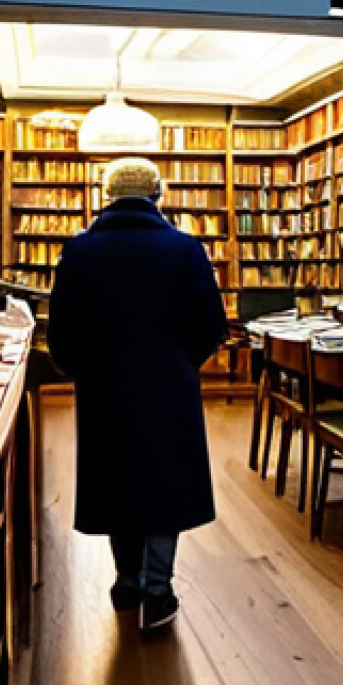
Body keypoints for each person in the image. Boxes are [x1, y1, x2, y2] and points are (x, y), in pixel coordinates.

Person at [46, 156, 228, 632]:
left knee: (116, 479)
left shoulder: (79, 251)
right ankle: (157, 587)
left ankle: (126, 579)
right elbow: (212, 325)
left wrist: (85, 370)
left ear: (106, 197)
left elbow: (61, 335)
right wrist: (182, 363)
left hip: (104, 389)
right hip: (170, 385)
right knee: (166, 482)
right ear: (158, 196)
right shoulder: (186, 250)